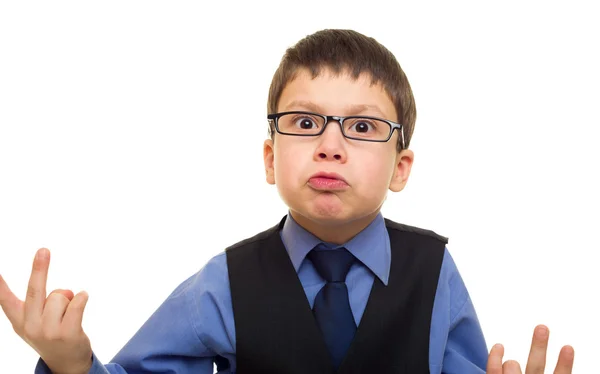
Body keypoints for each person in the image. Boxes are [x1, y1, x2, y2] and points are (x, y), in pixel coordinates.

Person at [0, 29, 574, 374]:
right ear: (271, 158)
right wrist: (71, 363)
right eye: (305, 122)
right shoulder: (223, 282)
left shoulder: (435, 271)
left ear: (401, 168)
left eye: (363, 127)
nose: (330, 147)